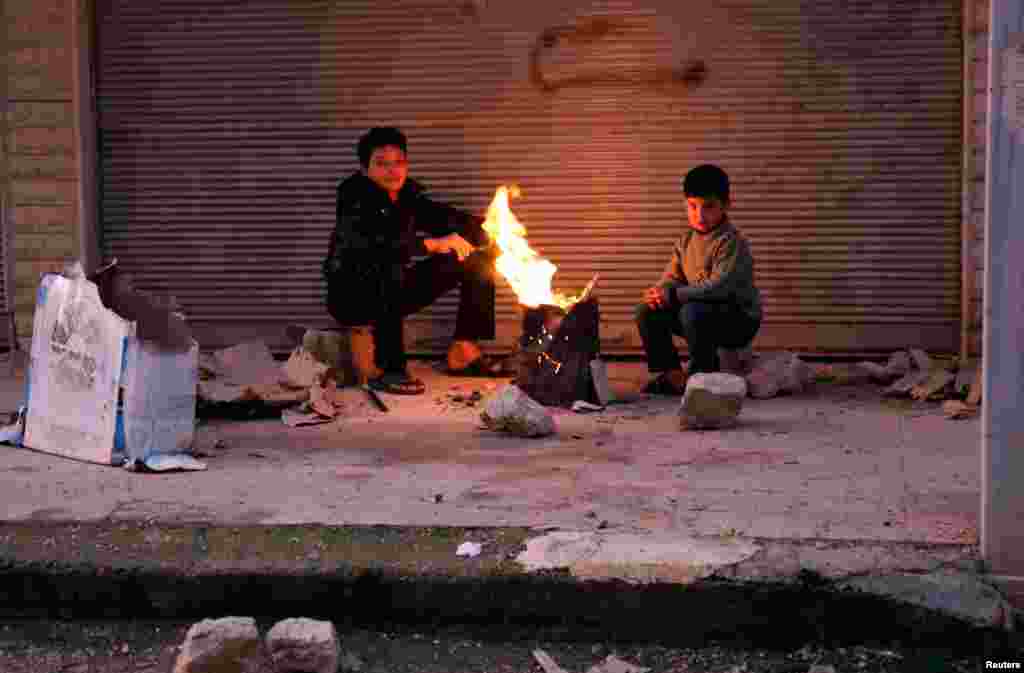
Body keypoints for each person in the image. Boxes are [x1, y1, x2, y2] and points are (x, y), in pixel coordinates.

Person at [322, 126, 501, 395]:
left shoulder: (406, 198)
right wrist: (434, 243)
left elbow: (443, 218)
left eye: (399, 163)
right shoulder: (353, 200)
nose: (392, 171)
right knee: (387, 266)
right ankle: (389, 368)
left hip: (390, 293)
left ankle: (463, 350)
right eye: (381, 164)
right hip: (354, 296)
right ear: (365, 169)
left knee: (478, 260)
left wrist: (494, 231)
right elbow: (377, 245)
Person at [634, 164, 762, 395]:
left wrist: (673, 294)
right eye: (693, 207)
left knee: (692, 311)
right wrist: (659, 292)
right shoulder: (685, 241)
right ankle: (673, 377)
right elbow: (672, 278)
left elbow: (719, 288)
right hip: (699, 314)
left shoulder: (730, 242)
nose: (700, 215)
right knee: (646, 310)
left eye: (709, 207)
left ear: (726, 205)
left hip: (737, 319)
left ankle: (703, 377)